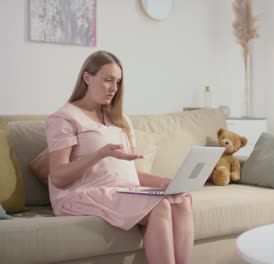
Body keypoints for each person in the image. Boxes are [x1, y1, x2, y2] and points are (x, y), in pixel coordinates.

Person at [46, 50, 194, 264]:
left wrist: (165, 182)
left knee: (181, 199)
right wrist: (99, 154)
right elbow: (58, 177)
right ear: (87, 78)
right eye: (107, 80)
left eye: (117, 82)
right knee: (160, 205)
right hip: (78, 195)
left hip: (119, 190)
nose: (114, 88)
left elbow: (125, 174)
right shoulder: (64, 117)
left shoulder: (118, 118)